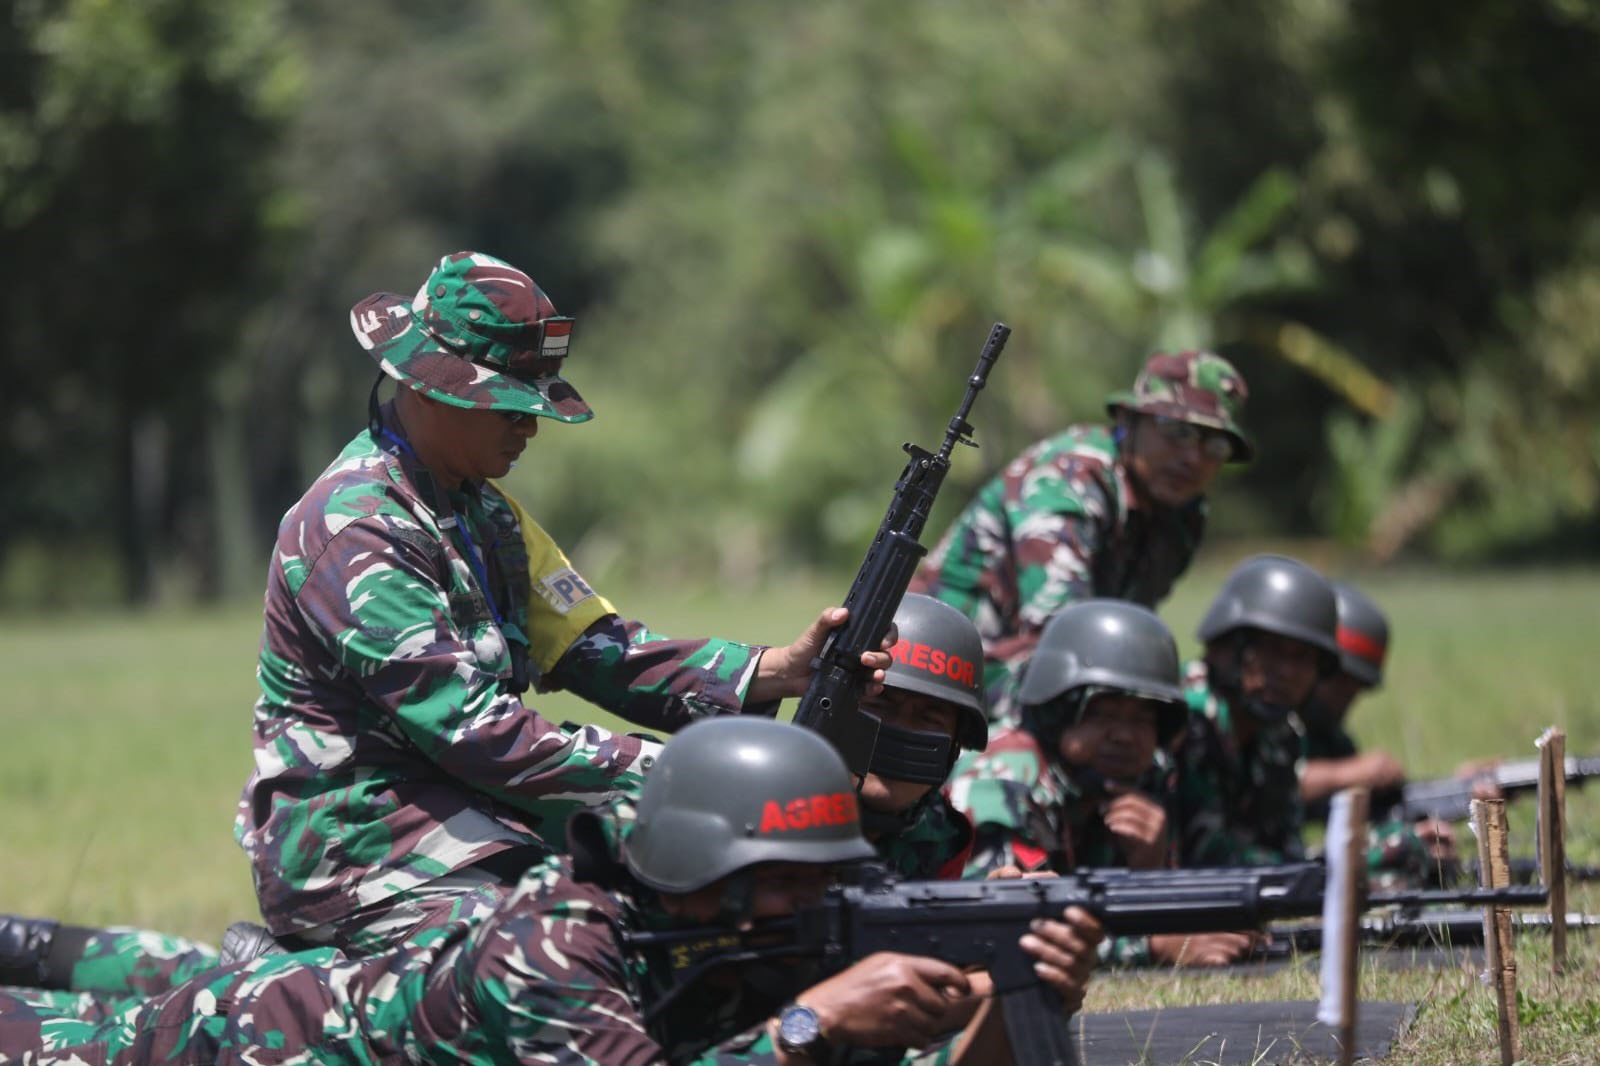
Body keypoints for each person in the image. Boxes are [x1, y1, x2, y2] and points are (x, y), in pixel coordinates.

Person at [235, 250, 891, 955]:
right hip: (365, 854)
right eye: (508, 405)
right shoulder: (354, 527)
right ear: (427, 386)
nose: (530, 428)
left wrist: (776, 670)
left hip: (482, 823)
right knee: (557, 961)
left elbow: (597, 651)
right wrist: (685, 776)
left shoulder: (488, 517)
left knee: (713, 907)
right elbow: (475, 733)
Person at [0, 718, 1103, 1065]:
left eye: (816, 883)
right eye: (774, 885)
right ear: (694, 882)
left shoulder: (746, 950)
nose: (800, 910)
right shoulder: (556, 945)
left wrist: (1010, 998)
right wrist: (816, 1023)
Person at [911, 350, 1252, 730]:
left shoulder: (1183, 517)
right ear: (1128, 421)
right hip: (939, 673)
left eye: (1216, 445)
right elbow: (1063, 641)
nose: (1192, 457)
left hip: (1047, 667)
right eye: (1177, 431)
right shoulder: (1068, 479)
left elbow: (1123, 635)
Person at [949, 599, 1257, 966]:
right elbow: (1001, 932)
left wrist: (1150, 875)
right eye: (1104, 713)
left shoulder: (1141, 778)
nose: (1125, 736)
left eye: (1142, 719)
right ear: (1057, 711)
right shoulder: (1004, 780)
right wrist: (1153, 947)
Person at [1171, 554, 1339, 868]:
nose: (1287, 673)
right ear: (1224, 647)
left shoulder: (1283, 735)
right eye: (1271, 651)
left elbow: (1283, 844)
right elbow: (1206, 856)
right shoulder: (1185, 718)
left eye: (1302, 658)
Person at [854, 594, 989, 880]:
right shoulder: (772, 807)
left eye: (930, 717)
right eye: (880, 703)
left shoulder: (942, 837)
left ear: (955, 745)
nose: (901, 728)